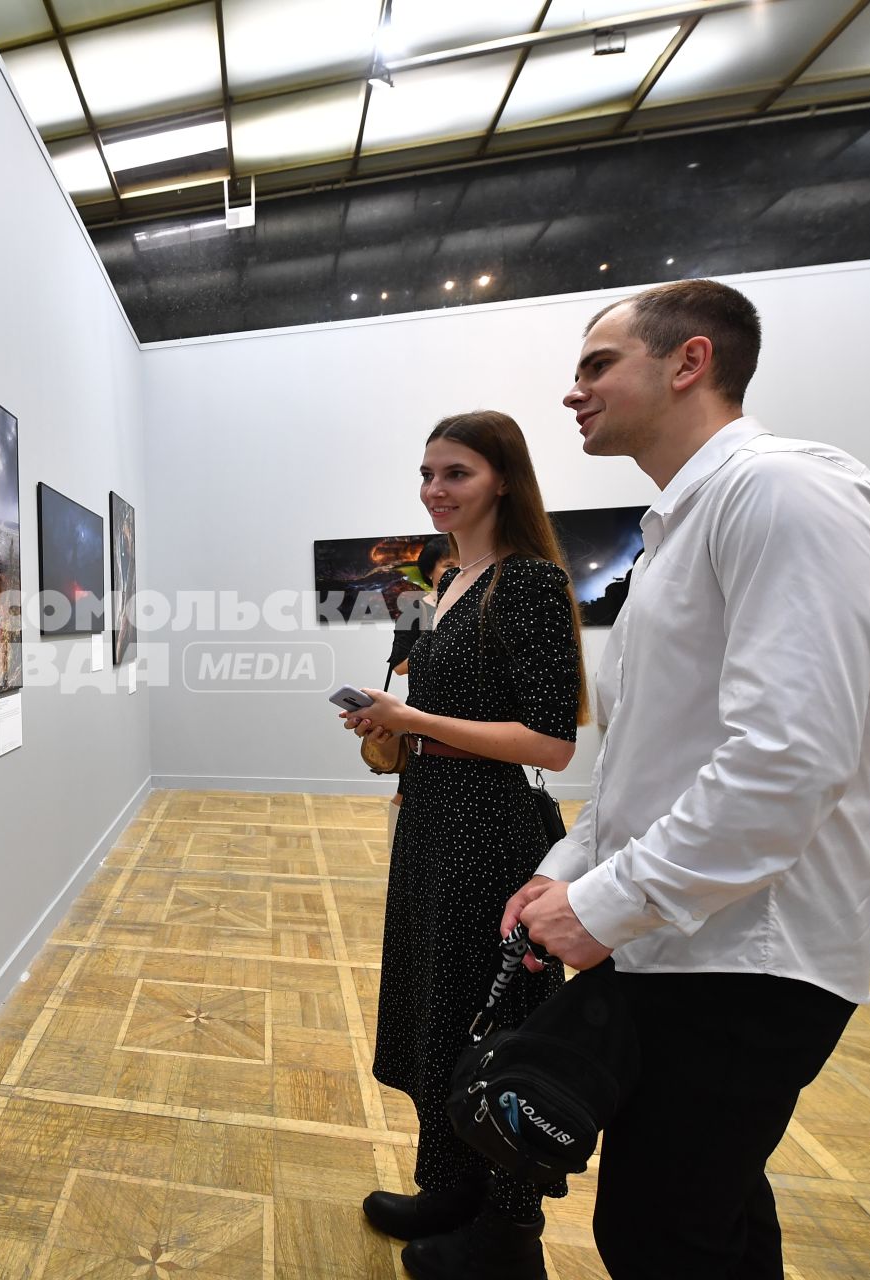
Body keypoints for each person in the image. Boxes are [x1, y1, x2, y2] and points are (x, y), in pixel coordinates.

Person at [502, 279, 870, 1279]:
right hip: (682, 938)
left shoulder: (784, 490)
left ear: (689, 361)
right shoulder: (684, 526)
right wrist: (566, 870)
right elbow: (645, 764)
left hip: (750, 954)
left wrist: (602, 902)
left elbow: (787, 757)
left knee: (663, 1229)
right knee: (701, 1214)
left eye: (597, 364)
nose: (574, 392)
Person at [341, 410, 588, 1279]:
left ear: (504, 481)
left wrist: (414, 719)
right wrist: (394, 726)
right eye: (427, 473)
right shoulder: (446, 580)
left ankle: (509, 1234)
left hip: (490, 826)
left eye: (456, 474)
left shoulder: (525, 583)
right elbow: (436, 711)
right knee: (436, 1002)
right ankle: (447, 1185)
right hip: (434, 816)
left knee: (494, 1020)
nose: (434, 491)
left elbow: (551, 741)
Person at [387, 535, 455, 678]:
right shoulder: (413, 611)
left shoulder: (478, 604)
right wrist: (446, 655)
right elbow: (399, 666)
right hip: (430, 697)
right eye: (449, 566)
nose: (457, 571)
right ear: (429, 572)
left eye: (462, 566)